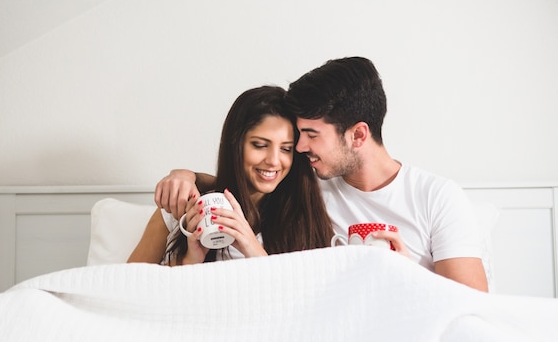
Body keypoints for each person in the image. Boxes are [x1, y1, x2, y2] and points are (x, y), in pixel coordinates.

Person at [152, 57, 489, 292]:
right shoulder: (309, 190)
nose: (299, 148)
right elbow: (238, 183)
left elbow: (472, 307)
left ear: (357, 135)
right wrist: (182, 175)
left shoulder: (436, 196)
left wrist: (406, 274)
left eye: (311, 135)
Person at [127, 85, 334, 265]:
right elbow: (126, 285)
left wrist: (253, 249)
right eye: (260, 145)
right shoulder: (183, 206)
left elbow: (313, 298)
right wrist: (189, 261)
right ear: (235, 146)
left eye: (286, 149)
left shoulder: (306, 213)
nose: (273, 160)